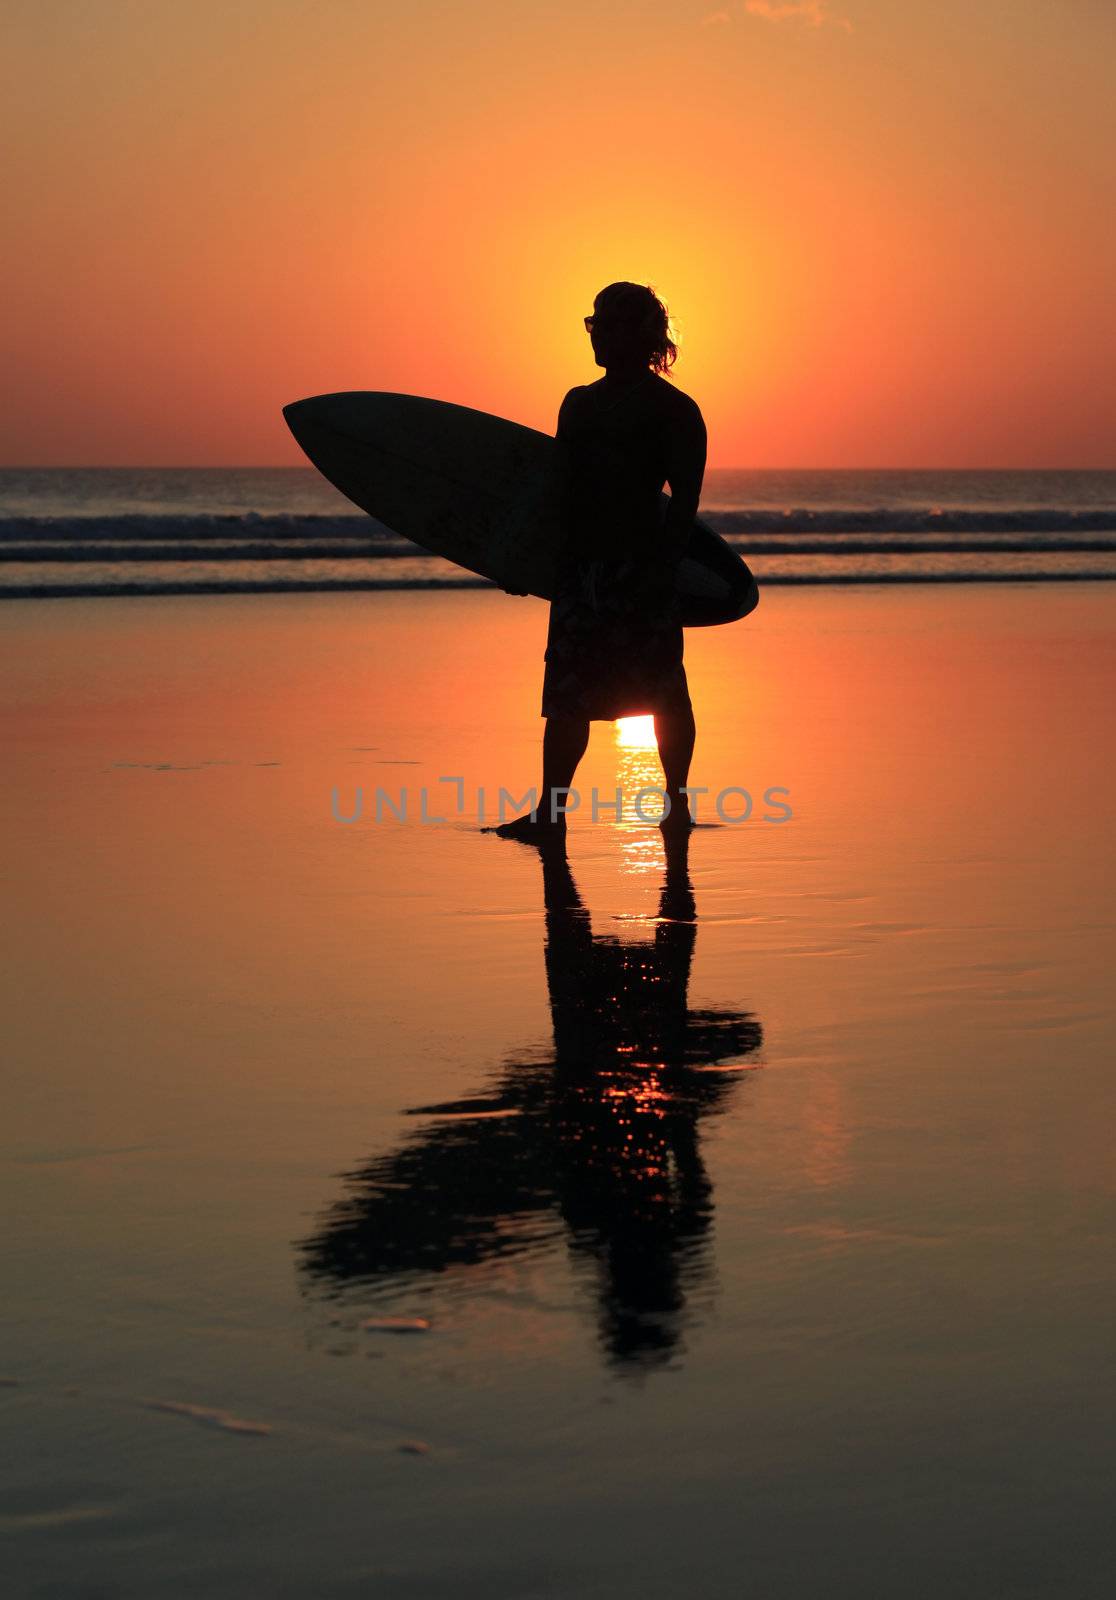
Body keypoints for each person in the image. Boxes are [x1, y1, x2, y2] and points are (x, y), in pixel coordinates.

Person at [495, 281, 707, 840]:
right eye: (593, 323)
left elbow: (684, 501)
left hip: (642, 567)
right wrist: (526, 562)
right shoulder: (578, 404)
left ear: (642, 335)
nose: (597, 334)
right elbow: (559, 492)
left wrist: (663, 570)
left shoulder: (675, 411)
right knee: (566, 694)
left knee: (662, 690)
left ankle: (677, 807)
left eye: (608, 325)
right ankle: (550, 811)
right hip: (581, 568)